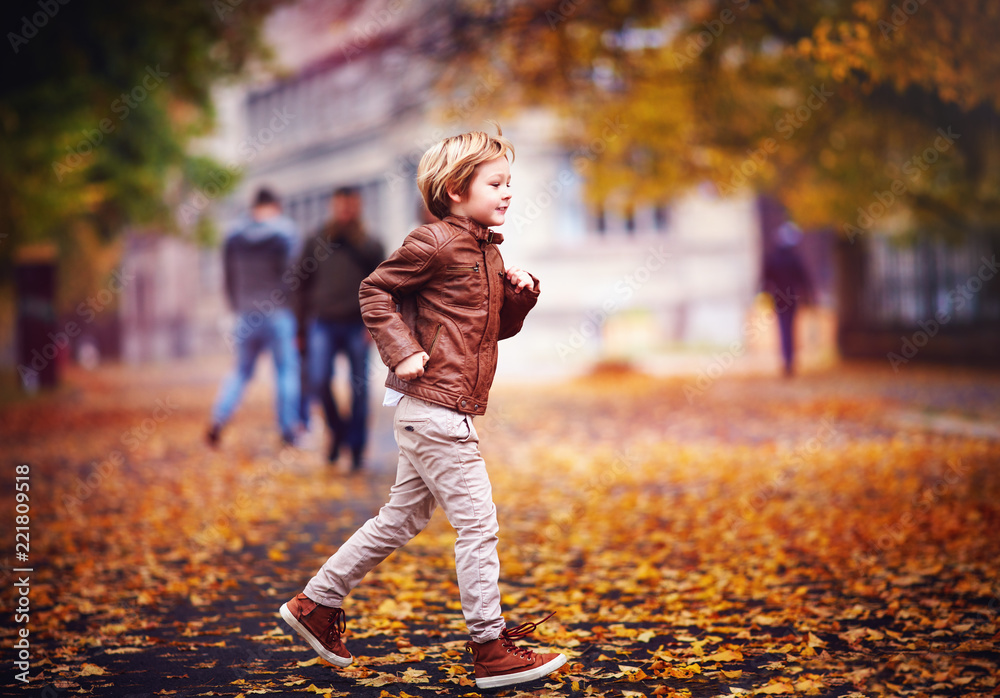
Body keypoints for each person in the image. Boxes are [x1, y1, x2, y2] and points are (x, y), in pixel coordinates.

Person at [278, 126, 567, 689]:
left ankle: (315, 605)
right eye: (496, 182)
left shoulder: (486, 249)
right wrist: (403, 351)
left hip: (435, 409)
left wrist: (520, 298)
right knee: (478, 527)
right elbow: (373, 291)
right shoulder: (435, 241)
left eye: (511, 182)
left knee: (402, 518)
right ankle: (490, 648)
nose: (508, 192)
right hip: (435, 409)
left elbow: (490, 332)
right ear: (457, 188)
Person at [297, 187, 385, 468]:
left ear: (358, 207)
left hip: (357, 324)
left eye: (351, 206)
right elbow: (300, 285)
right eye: (341, 205)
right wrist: (300, 329)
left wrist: (375, 325)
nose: (346, 211)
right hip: (322, 323)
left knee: (359, 388)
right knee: (319, 380)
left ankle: (357, 448)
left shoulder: (370, 244)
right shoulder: (316, 241)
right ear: (333, 206)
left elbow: (382, 287)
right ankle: (337, 432)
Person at [207, 187, 300, 447]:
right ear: (276, 206)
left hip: (246, 313)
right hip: (278, 312)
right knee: (285, 371)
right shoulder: (286, 233)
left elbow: (227, 277)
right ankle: (288, 429)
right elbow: (295, 275)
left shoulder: (233, 236)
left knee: (240, 371)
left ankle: (219, 417)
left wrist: (236, 305)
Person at [762, 222, 814, 376]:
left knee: (784, 329)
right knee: (790, 329)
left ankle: (787, 359)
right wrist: (809, 298)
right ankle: (790, 360)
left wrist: (765, 294)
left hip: (779, 298)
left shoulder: (773, 258)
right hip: (792, 298)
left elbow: (765, 279)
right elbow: (804, 280)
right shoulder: (794, 258)